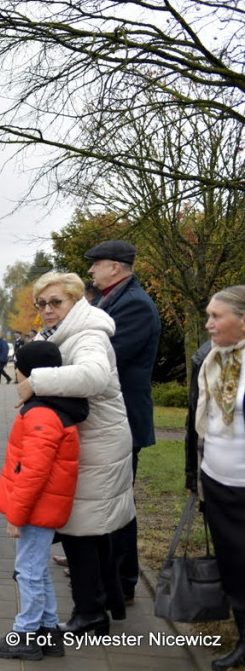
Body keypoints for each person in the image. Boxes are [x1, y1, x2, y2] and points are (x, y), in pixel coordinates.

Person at [16, 271, 135, 635]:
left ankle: (90, 614)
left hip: (95, 445)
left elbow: (94, 376)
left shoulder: (87, 334)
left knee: (81, 533)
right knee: (90, 532)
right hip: (84, 443)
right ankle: (102, 605)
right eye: (42, 304)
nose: (48, 310)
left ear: (75, 300)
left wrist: (34, 383)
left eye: (56, 302)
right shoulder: (62, 332)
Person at [0, 341, 88, 661]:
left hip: (37, 507)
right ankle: (48, 631)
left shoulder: (41, 413)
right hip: (44, 505)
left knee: (27, 570)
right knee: (36, 568)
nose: (14, 372)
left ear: (29, 372)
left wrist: (16, 514)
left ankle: (26, 634)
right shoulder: (51, 406)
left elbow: (34, 471)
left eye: (17, 366)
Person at [85, 239, 161, 604]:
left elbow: (107, 358)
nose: (90, 270)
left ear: (115, 266)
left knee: (118, 503)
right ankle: (104, 568)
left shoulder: (133, 305)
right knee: (106, 497)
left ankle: (122, 580)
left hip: (124, 419)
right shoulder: (111, 300)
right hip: (112, 418)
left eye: (95, 264)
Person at [185, 285, 245, 671]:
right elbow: (201, 422)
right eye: (208, 315)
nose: (208, 324)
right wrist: (196, 474)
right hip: (218, 483)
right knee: (234, 566)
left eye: (216, 316)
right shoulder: (212, 360)